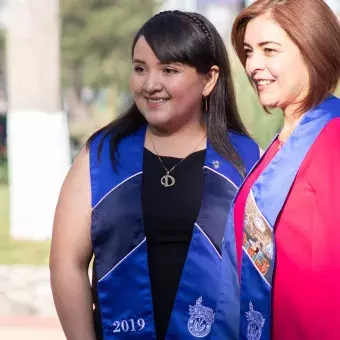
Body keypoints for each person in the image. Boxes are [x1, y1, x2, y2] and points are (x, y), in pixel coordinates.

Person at [50, 10, 260, 340]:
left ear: (209, 79)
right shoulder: (104, 155)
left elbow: (262, 271)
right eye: (140, 69)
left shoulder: (245, 160)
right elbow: (66, 263)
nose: (150, 84)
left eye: (169, 70)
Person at [212, 1, 340, 339]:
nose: (253, 65)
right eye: (249, 52)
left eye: (269, 50)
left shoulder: (332, 141)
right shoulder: (279, 148)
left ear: (313, 49)